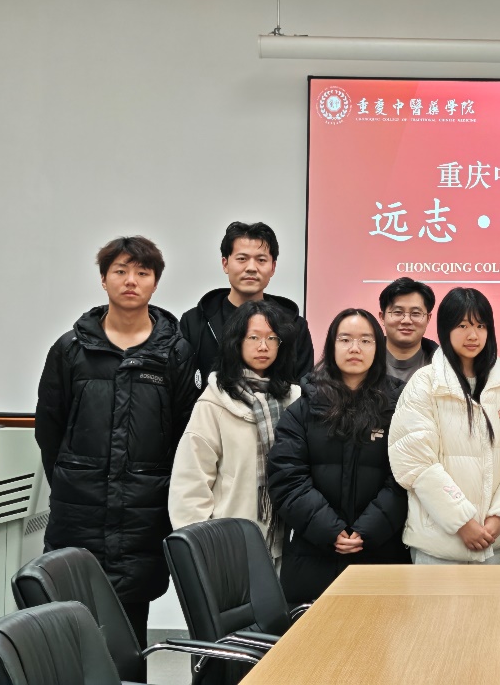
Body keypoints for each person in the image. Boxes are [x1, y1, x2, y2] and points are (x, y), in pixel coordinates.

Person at [35, 236, 199, 651]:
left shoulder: (175, 353)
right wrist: (73, 478)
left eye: (142, 272)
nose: (131, 281)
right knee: (70, 622)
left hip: (143, 510)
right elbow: (49, 429)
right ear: (104, 279)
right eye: (120, 271)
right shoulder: (71, 349)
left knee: (130, 629)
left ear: (155, 283)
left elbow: (185, 434)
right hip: (79, 508)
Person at [268, 309, 409, 604]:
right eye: (345, 339)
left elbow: (405, 477)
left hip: (381, 552)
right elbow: (287, 478)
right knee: (312, 632)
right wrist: (331, 531)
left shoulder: (400, 408)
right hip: (312, 555)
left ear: (378, 347)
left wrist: (367, 530)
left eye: (365, 341)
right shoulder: (302, 409)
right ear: (332, 345)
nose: (355, 348)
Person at [388, 287, 500, 564]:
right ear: (445, 329)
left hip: (493, 543)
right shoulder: (425, 382)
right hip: (438, 545)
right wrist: (462, 522)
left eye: (480, 325)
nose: (473, 335)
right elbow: (415, 462)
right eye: (462, 325)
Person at [168, 300, 302, 567]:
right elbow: (191, 482)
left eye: (272, 338)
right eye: (254, 337)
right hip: (229, 546)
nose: (263, 346)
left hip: (288, 545)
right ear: (236, 341)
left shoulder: (296, 399)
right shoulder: (215, 401)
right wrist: (203, 547)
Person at [180, 221, 315, 386]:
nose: (251, 268)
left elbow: (304, 389)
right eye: (242, 259)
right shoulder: (194, 323)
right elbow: (183, 388)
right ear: (225, 264)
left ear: (273, 267)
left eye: (261, 260)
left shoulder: (294, 326)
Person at [378, 277, 437, 384]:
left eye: (415, 313)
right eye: (398, 312)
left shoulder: (444, 366)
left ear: (428, 319)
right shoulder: (363, 360)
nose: (406, 321)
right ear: (382, 317)